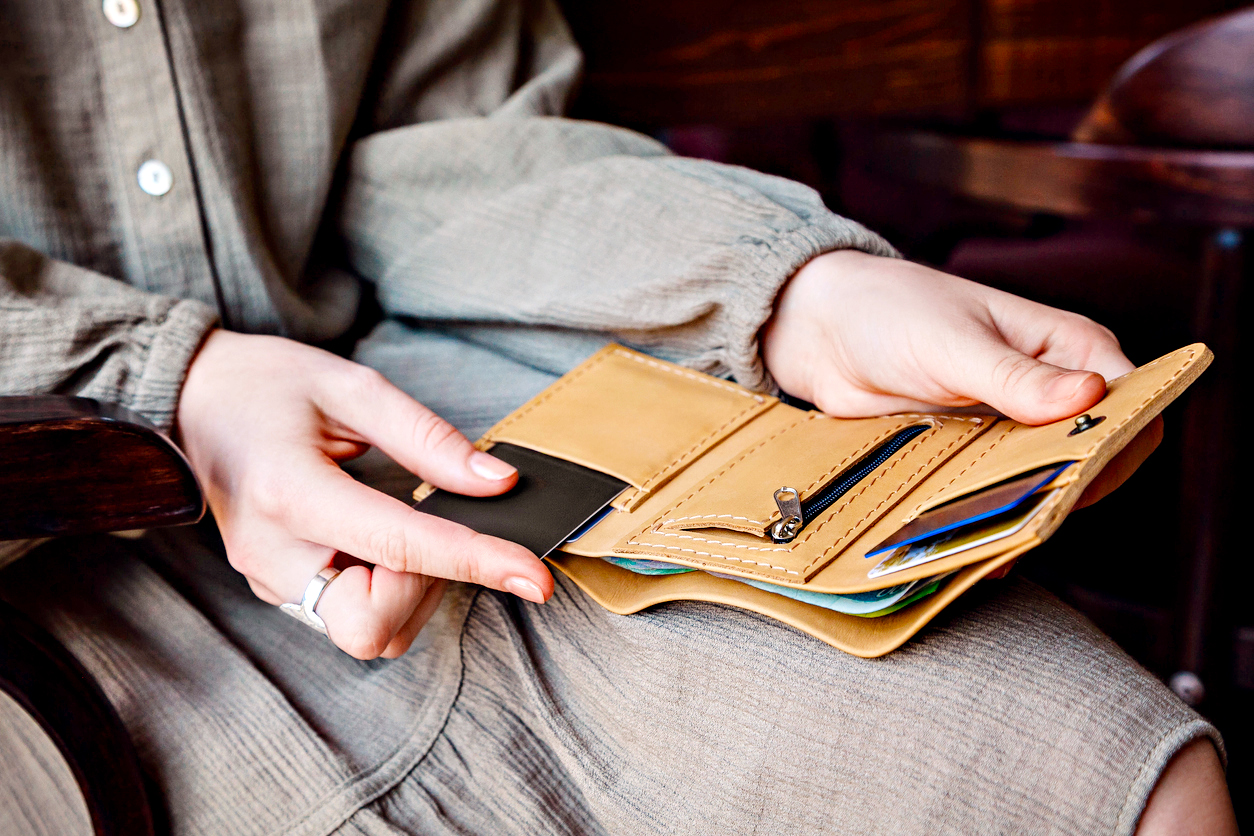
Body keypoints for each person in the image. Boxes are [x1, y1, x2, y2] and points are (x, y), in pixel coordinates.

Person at [0, 0, 1237, 833]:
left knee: (1116, 774)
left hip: (432, 415)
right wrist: (173, 383)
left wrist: (793, 292)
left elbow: (456, 148)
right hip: (38, 566)